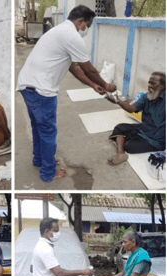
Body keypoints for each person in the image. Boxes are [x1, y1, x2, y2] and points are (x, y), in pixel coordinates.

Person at [17, 5, 116, 182]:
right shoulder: (72, 36)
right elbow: (89, 69)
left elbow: (73, 67)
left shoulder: (59, 32)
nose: (87, 30)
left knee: (39, 127)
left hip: (28, 86)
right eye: (88, 25)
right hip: (42, 90)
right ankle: (48, 173)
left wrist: (93, 85)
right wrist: (105, 84)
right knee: (48, 132)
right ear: (81, 21)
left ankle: (39, 159)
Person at [107, 72, 166, 165]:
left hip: (155, 140)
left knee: (130, 146)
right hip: (143, 128)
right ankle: (121, 154)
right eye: (149, 83)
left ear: (162, 86)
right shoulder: (147, 96)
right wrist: (118, 101)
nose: (149, 86)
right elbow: (131, 109)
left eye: (153, 83)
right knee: (119, 127)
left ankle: (123, 144)